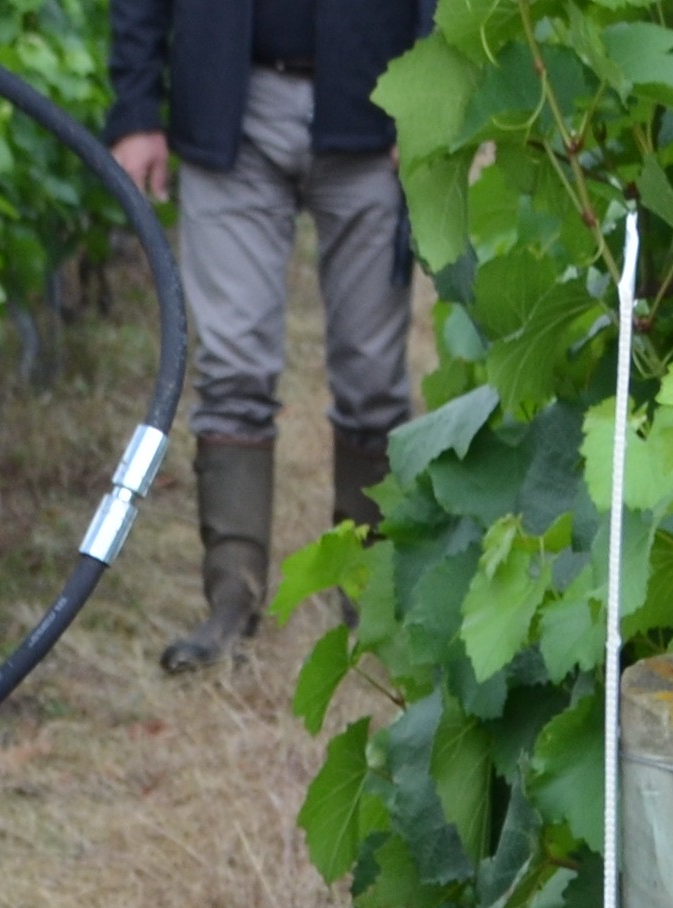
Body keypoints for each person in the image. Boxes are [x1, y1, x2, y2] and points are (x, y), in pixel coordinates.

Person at [104, 0, 428, 670]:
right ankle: (231, 599)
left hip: (375, 104)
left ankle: (371, 595)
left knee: (373, 379)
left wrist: (427, 97)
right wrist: (135, 109)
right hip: (230, 104)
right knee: (232, 372)